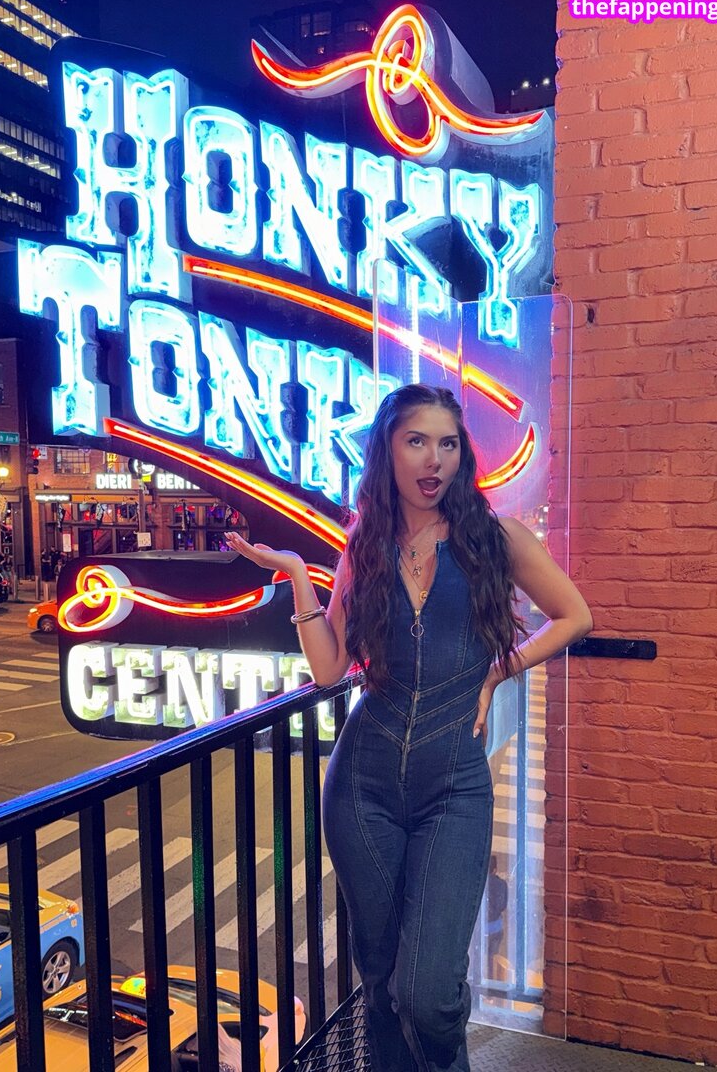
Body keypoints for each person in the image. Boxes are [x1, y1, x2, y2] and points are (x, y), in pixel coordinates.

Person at [225, 383, 592, 1072]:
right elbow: (330, 670)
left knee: (428, 993)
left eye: (447, 443)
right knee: (381, 981)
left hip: (454, 787)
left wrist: (499, 671)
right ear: (388, 451)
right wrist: (299, 577)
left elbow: (574, 615)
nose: (434, 459)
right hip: (361, 788)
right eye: (416, 441)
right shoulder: (365, 546)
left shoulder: (495, 539)